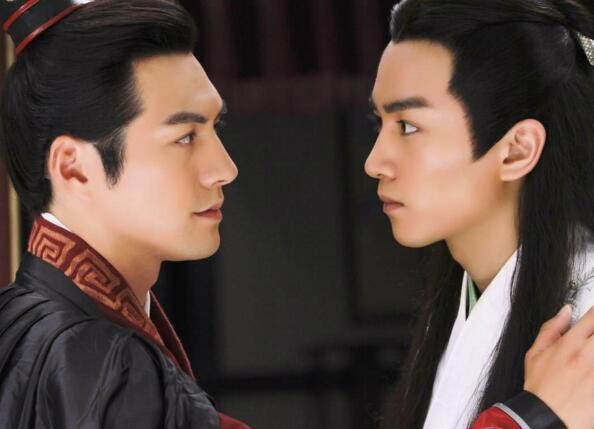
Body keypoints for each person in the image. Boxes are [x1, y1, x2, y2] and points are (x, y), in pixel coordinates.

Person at [0, 1, 249, 428]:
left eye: (215, 128)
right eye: (185, 136)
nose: (225, 169)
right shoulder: (115, 369)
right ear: (73, 167)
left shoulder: (14, 320)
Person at [365, 0, 594, 428]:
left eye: (408, 126)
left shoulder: (586, 329)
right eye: (380, 124)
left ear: (517, 150)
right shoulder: (460, 303)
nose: (374, 162)